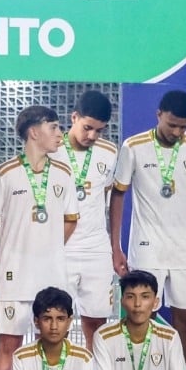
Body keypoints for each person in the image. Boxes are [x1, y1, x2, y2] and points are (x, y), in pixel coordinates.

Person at [0, 105, 79, 370]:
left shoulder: (64, 173)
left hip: (51, 275)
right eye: (53, 127)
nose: (60, 133)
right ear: (34, 132)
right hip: (14, 278)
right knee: (8, 345)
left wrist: (48, 247)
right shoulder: (5, 173)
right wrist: (6, 257)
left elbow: (70, 220)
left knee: (49, 345)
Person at [110, 89, 186, 362]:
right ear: (159, 115)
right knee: (141, 316)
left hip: (183, 249)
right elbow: (118, 195)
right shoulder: (134, 146)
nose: (177, 132)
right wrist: (116, 247)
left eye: (183, 126)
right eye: (172, 124)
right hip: (147, 246)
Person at [50, 90, 118, 351]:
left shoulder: (109, 152)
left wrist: (114, 246)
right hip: (61, 249)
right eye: (87, 128)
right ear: (74, 117)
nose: (92, 136)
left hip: (96, 248)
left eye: (99, 131)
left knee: (97, 323)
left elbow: (109, 201)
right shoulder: (52, 150)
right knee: (54, 321)